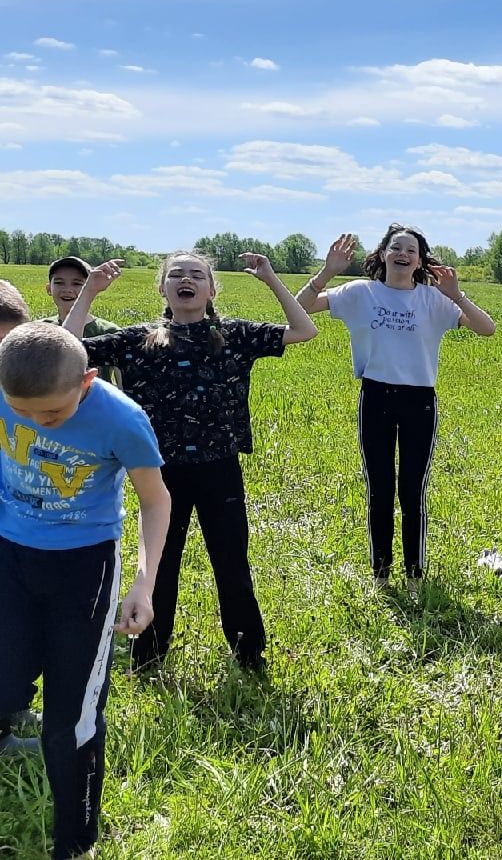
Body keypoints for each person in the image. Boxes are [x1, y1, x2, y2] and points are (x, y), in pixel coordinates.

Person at [64, 252, 317, 671]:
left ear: (211, 289)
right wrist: (88, 292)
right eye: (176, 274)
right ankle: (148, 655)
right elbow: (68, 353)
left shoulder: (234, 333)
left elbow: (303, 330)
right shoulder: (138, 339)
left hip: (220, 468)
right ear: (163, 288)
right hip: (158, 473)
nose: (186, 280)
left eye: (197, 275)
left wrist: (271, 279)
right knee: (159, 565)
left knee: (231, 562)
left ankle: (248, 653)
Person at [0, 322, 170, 860]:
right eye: (19, 411)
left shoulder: (122, 419)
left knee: (68, 721)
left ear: (88, 381)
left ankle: (74, 843)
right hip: (10, 557)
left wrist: (145, 583)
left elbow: (155, 500)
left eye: (50, 414)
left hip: (84, 569)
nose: (33, 422)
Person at [296, 226, 495, 593]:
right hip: (376, 397)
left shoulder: (434, 300)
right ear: (383, 254)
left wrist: (457, 295)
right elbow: (302, 307)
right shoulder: (360, 293)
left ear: (420, 260)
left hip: (419, 401)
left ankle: (415, 575)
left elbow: (487, 329)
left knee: (412, 491)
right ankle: (381, 575)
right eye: (396, 247)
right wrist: (327, 272)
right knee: (379, 488)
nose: (403, 254)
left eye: (412, 250)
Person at [42, 256, 120, 337]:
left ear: (91, 288)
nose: (68, 290)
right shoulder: (39, 330)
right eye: (59, 282)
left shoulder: (109, 333)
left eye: (77, 283)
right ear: (48, 289)